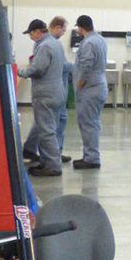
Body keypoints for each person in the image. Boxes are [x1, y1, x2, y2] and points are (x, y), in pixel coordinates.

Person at [18, 19, 65, 177]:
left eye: (31, 34)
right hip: (57, 91)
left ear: (38, 31)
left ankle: (53, 166)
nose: (31, 37)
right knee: (49, 128)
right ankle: (46, 162)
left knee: (46, 131)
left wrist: (20, 72)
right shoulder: (56, 43)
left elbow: (38, 69)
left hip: (45, 94)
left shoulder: (45, 46)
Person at [74, 15, 107, 169]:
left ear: (80, 28)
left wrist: (80, 84)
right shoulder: (100, 39)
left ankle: (91, 158)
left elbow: (86, 66)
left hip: (90, 88)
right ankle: (90, 155)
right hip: (100, 85)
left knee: (88, 124)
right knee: (92, 123)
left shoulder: (88, 43)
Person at [48, 16, 73, 164]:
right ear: (57, 27)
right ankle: (51, 154)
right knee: (52, 124)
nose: (63, 33)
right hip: (53, 91)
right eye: (63, 30)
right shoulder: (49, 44)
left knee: (61, 120)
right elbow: (61, 66)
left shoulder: (55, 44)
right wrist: (74, 67)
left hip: (60, 90)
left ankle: (57, 151)